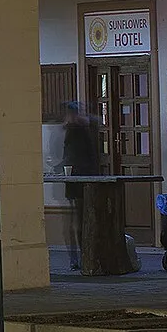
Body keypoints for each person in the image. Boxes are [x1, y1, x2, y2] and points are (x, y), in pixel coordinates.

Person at [59, 101, 102, 272]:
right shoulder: (74, 130)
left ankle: (83, 255)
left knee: (79, 218)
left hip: (81, 176)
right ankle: (79, 256)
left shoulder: (80, 129)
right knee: (77, 218)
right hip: (78, 176)